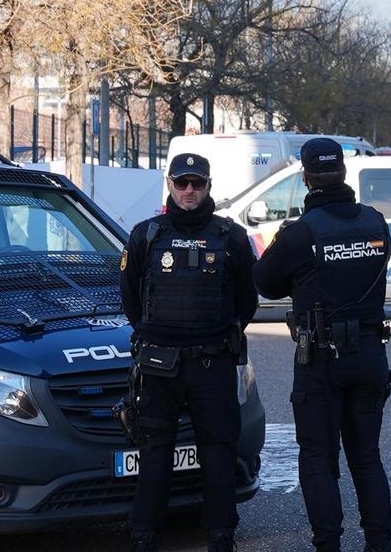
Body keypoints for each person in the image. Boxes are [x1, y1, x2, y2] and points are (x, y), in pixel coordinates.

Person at [253, 137, 391, 552]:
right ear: (345, 174)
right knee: (366, 457)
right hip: (370, 354)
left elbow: (264, 281)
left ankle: (328, 545)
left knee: (318, 459)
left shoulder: (301, 234)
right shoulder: (376, 222)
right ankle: (380, 544)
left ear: (306, 178)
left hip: (321, 359)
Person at [119, 153, 257, 552]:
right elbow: (130, 296)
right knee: (155, 453)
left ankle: (220, 536)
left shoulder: (231, 237)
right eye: (182, 183)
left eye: (197, 183)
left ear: (209, 185)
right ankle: (144, 536)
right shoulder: (146, 235)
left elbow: (247, 301)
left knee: (218, 453)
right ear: (170, 184)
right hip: (160, 364)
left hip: (212, 361)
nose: (190, 191)